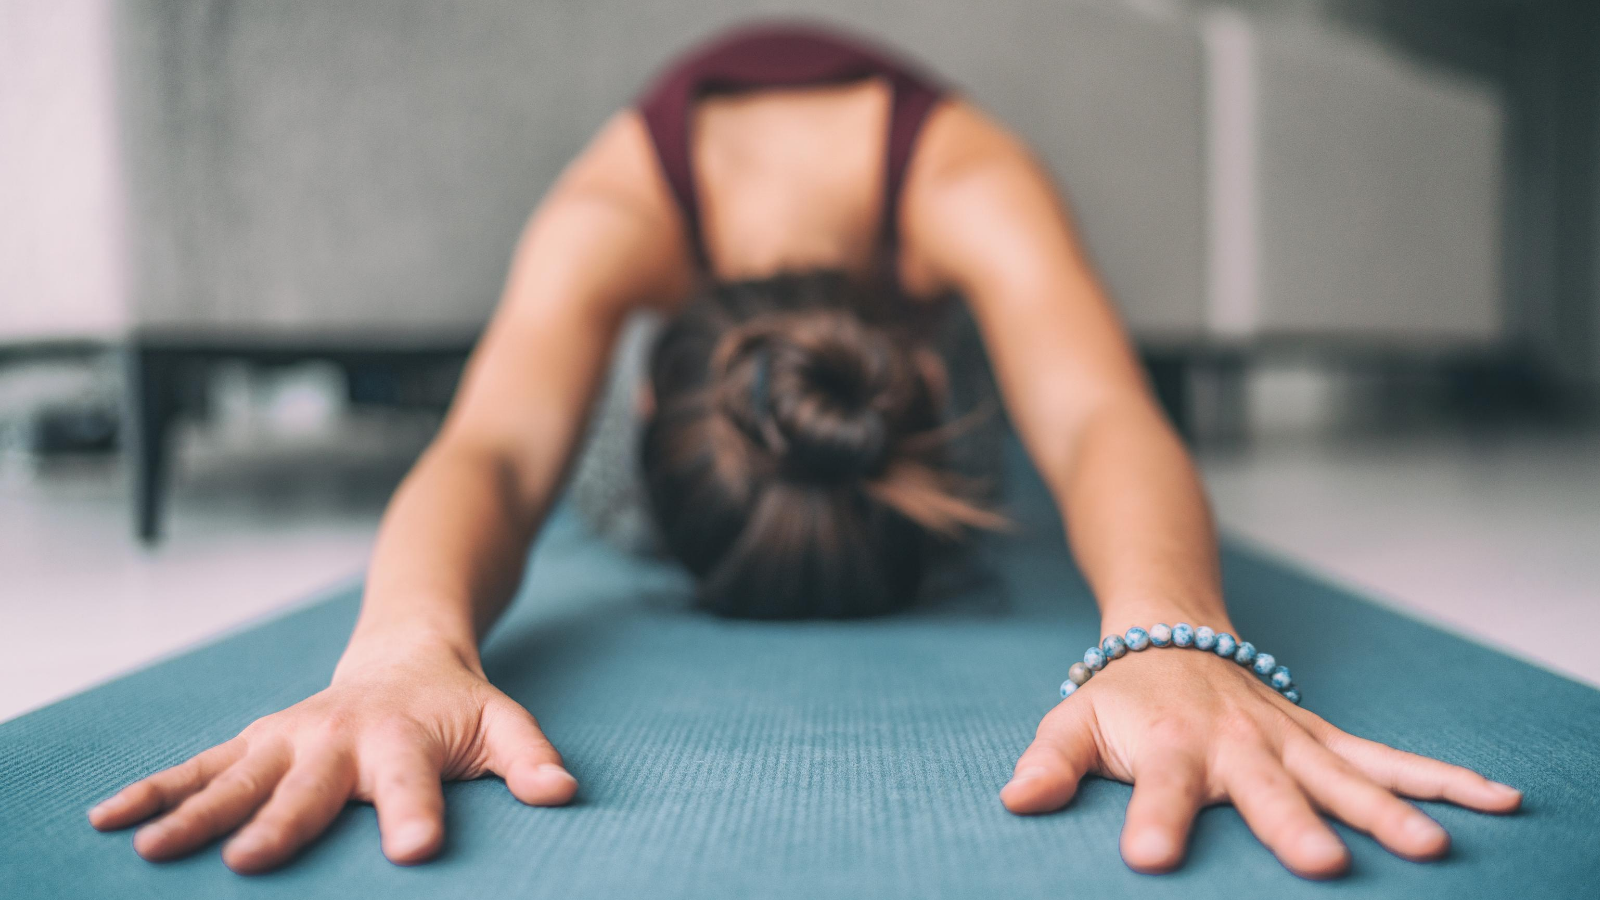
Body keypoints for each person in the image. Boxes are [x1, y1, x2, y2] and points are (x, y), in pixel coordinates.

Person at [87, 23, 1521, 879]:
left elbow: (1093, 418)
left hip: (893, 346)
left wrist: (1176, 631)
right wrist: (403, 649)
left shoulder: (965, 186)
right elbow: (496, 451)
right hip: (693, 364)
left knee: (984, 458)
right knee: (590, 470)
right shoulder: (609, 223)